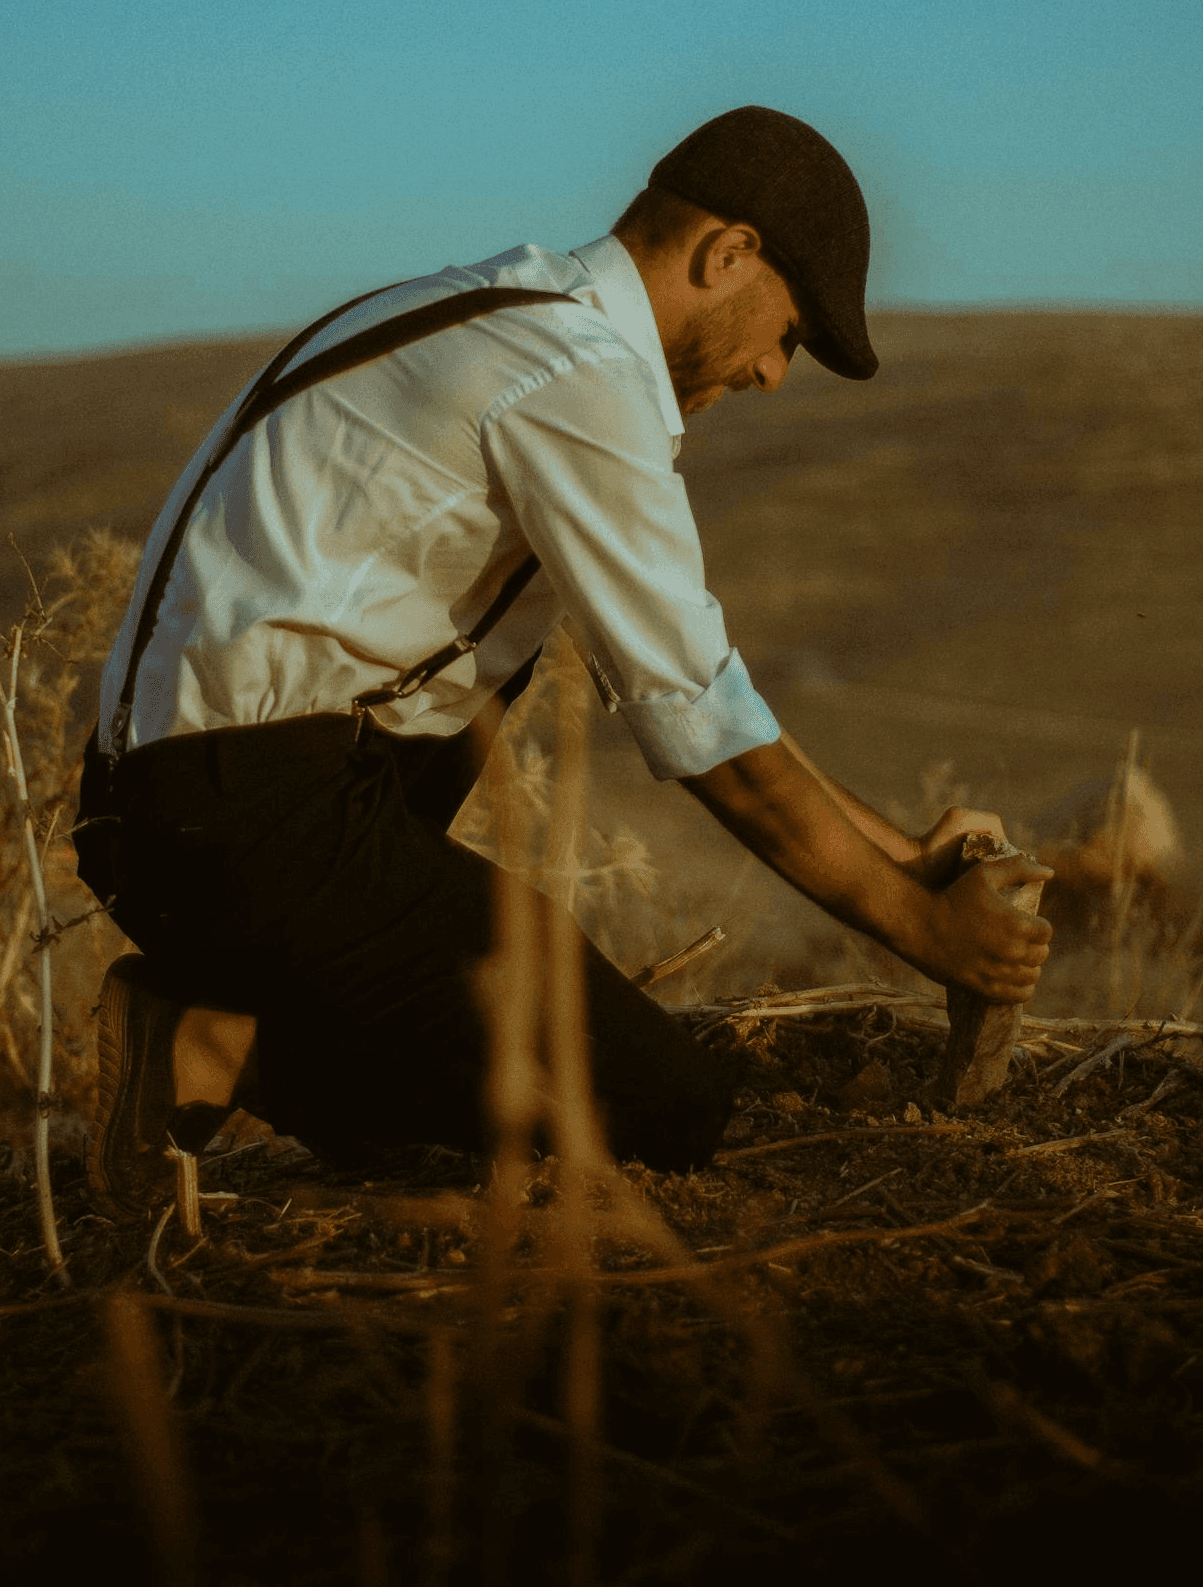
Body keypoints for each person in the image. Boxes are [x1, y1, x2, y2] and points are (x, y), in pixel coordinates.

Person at [75, 106, 1052, 1215]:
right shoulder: (574, 378)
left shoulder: (488, 310)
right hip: (247, 820)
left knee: (511, 1036)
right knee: (659, 1112)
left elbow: (710, 690)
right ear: (724, 254)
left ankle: (233, 1018)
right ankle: (207, 1047)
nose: (776, 373)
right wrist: (925, 931)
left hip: (186, 807)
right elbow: (708, 739)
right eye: (785, 330)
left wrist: (904, 850)